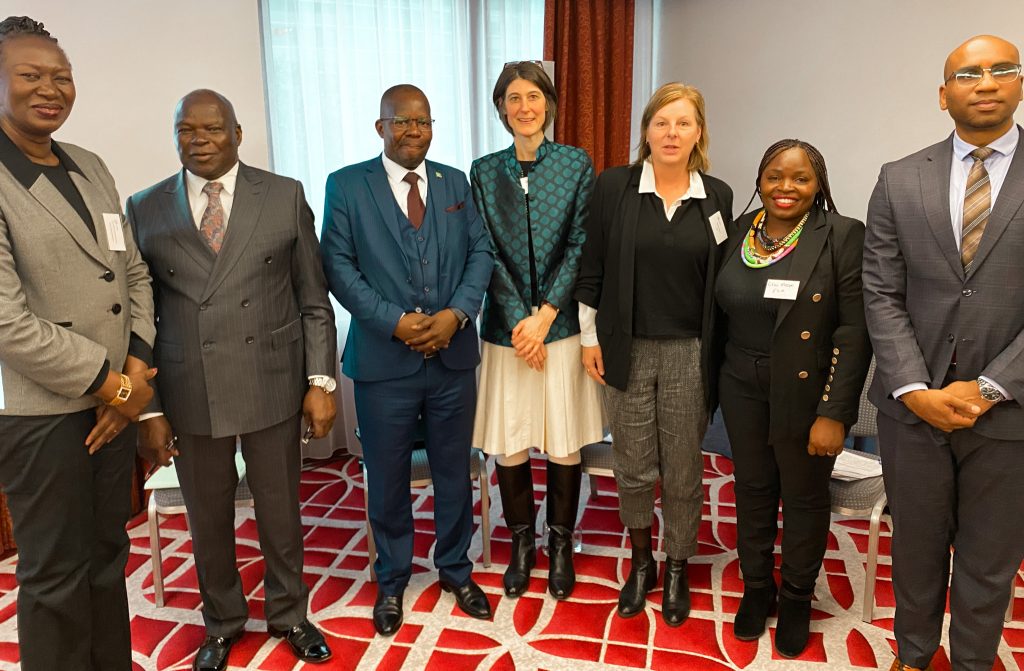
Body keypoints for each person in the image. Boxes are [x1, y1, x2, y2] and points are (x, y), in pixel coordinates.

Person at [128, 89, 337, 670]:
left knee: (280, 511)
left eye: (212, 129)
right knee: (208, 515)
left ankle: (290, 614)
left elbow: (312, 298)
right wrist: (148, 409)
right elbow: (138, 313)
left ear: (238, 133)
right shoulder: (145, 206)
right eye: (185, 131)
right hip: (190, 386)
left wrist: (320, 381)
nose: (198, 141)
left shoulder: (284, 194)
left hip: (271, 378)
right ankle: (221, 622)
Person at [0, 16, 157, 671]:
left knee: (105, 558)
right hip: (44, 415)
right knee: (55, 575)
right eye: (30, 76)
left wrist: (137, 371)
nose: (51, 89)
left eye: (61, 76)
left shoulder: (89, 166)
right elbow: (7, 323)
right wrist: (111, 384)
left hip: (115, 400)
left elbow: (133, 271)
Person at [863, 34, 1024, 671]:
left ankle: (973, 663)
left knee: (991, 556)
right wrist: (914, 388)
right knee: (917, 550)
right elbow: (880, 290)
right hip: (914, 410)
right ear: (943, 94)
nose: (984, 83)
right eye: (967, 73)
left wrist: (987, 388)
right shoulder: (899, 177)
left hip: (1009, 414)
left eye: (1000, 70)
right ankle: (912, 653)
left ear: (1018, 84)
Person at [321, 84, 494, 637]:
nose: (413, 130)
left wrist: (457, 315)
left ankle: (455, 568)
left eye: (422, 121)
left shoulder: (454, 182)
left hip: (452, 358)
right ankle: (392, 578)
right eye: (401, 122)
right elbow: (338, 266)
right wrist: (394, 320)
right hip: (382, 362)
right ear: (381, 127)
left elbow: (481, 254)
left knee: (452, 472)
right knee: (388, 476)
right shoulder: (346, 185)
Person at [574, 83, 733, 626]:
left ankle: (679, 564)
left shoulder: (718, 195)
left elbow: (722, 281)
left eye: (683, 123)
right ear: (646, 130)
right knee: (634, 463)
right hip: (626, 347)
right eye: (662, 122)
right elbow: (590, 266)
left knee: (685, 467)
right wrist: (589, 338)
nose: (671, 133)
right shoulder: (614, 186)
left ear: (698, 133)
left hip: (690, 351)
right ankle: (642, 562)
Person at [715, 139, 871, 657]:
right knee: (752, 487)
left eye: (800, 178)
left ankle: (799, 595)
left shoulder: (842, 236)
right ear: (759, 178)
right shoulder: (739, 230)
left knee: (803, 497)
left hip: (805, 389)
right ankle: (758, 587)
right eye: (775, 176)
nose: (786, 187)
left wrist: (834, 413)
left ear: (818, 184)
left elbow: (854, 333)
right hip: (740, 381)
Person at [469, 61, 605, 601]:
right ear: (501, 107)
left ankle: (562, 543)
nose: (525, 107)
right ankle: (523, 543)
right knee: (511, 441)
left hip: (563, 324)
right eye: (513, 98)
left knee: (564, 440)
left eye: (534, 96)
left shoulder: (575, 164)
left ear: (549, 103)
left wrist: (547, 313)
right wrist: (521, 321)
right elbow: (486, 251)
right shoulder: (483, 171)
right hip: (506, 331)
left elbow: (581, 243)